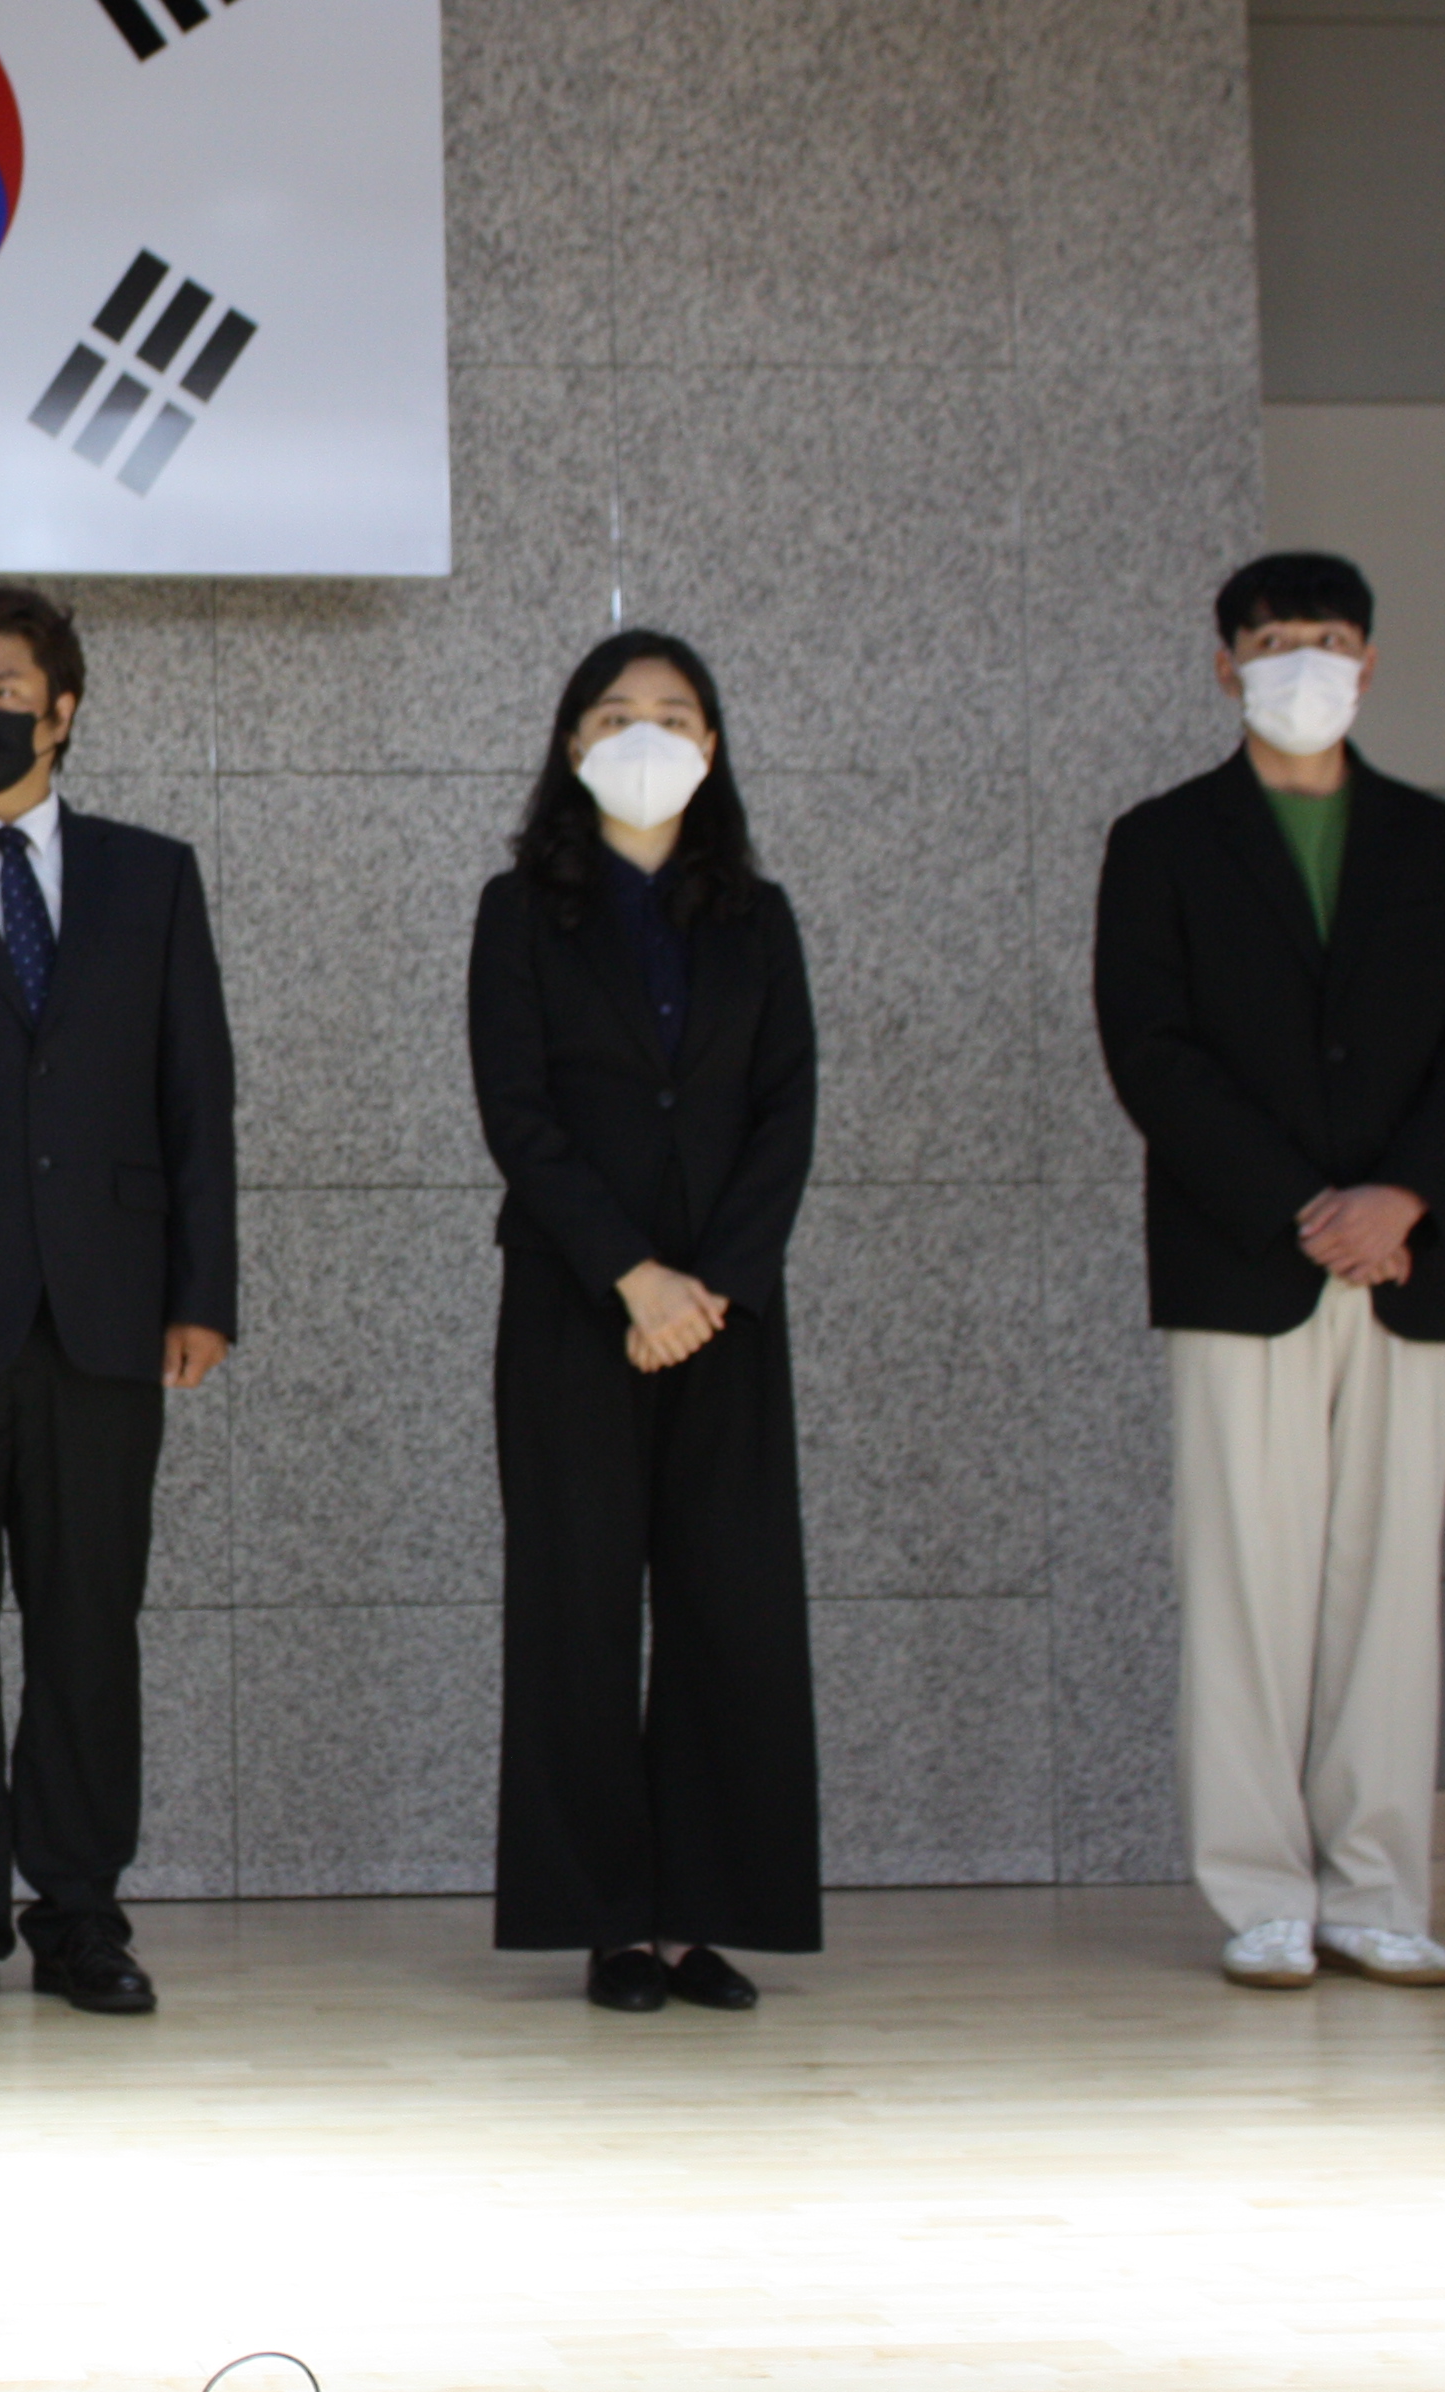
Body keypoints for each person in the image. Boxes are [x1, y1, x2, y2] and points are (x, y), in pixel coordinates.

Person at [1092, 552, 1445, 1995]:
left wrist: (1402, 1197)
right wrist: (1301, 1207)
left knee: (1387, 1587)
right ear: (1225, 665)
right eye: (1274, 641)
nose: (1303, 664)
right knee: (1246, 1585)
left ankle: (1379, 1890)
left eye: (1330, 640)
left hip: (1407, 1266)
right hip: (1240, 1260)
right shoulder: (1162, 841)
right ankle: (1263, 1892)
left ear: (1370, 663)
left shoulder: (1441, 846)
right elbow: (1150, 1050)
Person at [0, 584, 237, 2021]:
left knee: (92, 1621)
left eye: (5, 688)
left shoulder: (153, 877)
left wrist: (202, 1290)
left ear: (63, 708)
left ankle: (82, 1910)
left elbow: (195, 1097)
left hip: (109, 1309)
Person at [466, 631, 821, 2015]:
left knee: (733, 1603)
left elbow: (785, 1111)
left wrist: (712, 1281)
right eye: (616, 715)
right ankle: (607, 1923)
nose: (647, 735)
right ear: (572, 745)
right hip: (576, 1302)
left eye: (675, 714)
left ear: (713, 747)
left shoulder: (758, 916)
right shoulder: (519, 911)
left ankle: (704, 1918)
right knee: (578, 1603)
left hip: (729, 1310)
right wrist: (635, 1277)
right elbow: (520, 1116)